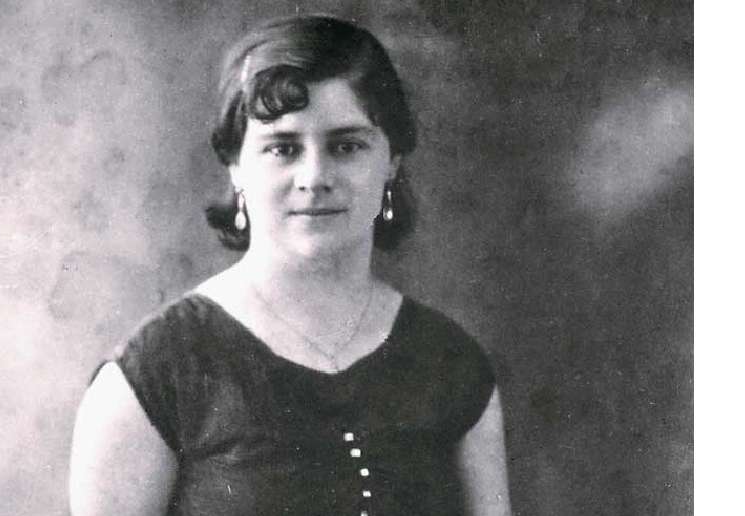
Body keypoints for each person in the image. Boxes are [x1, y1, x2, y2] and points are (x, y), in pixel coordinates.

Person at [69, 15, 512, 516]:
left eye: (347, 146)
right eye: (283, 148)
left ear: (391, 161)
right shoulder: (155, 377)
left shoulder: (451, 364)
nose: (315, 176)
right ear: (236, 166)